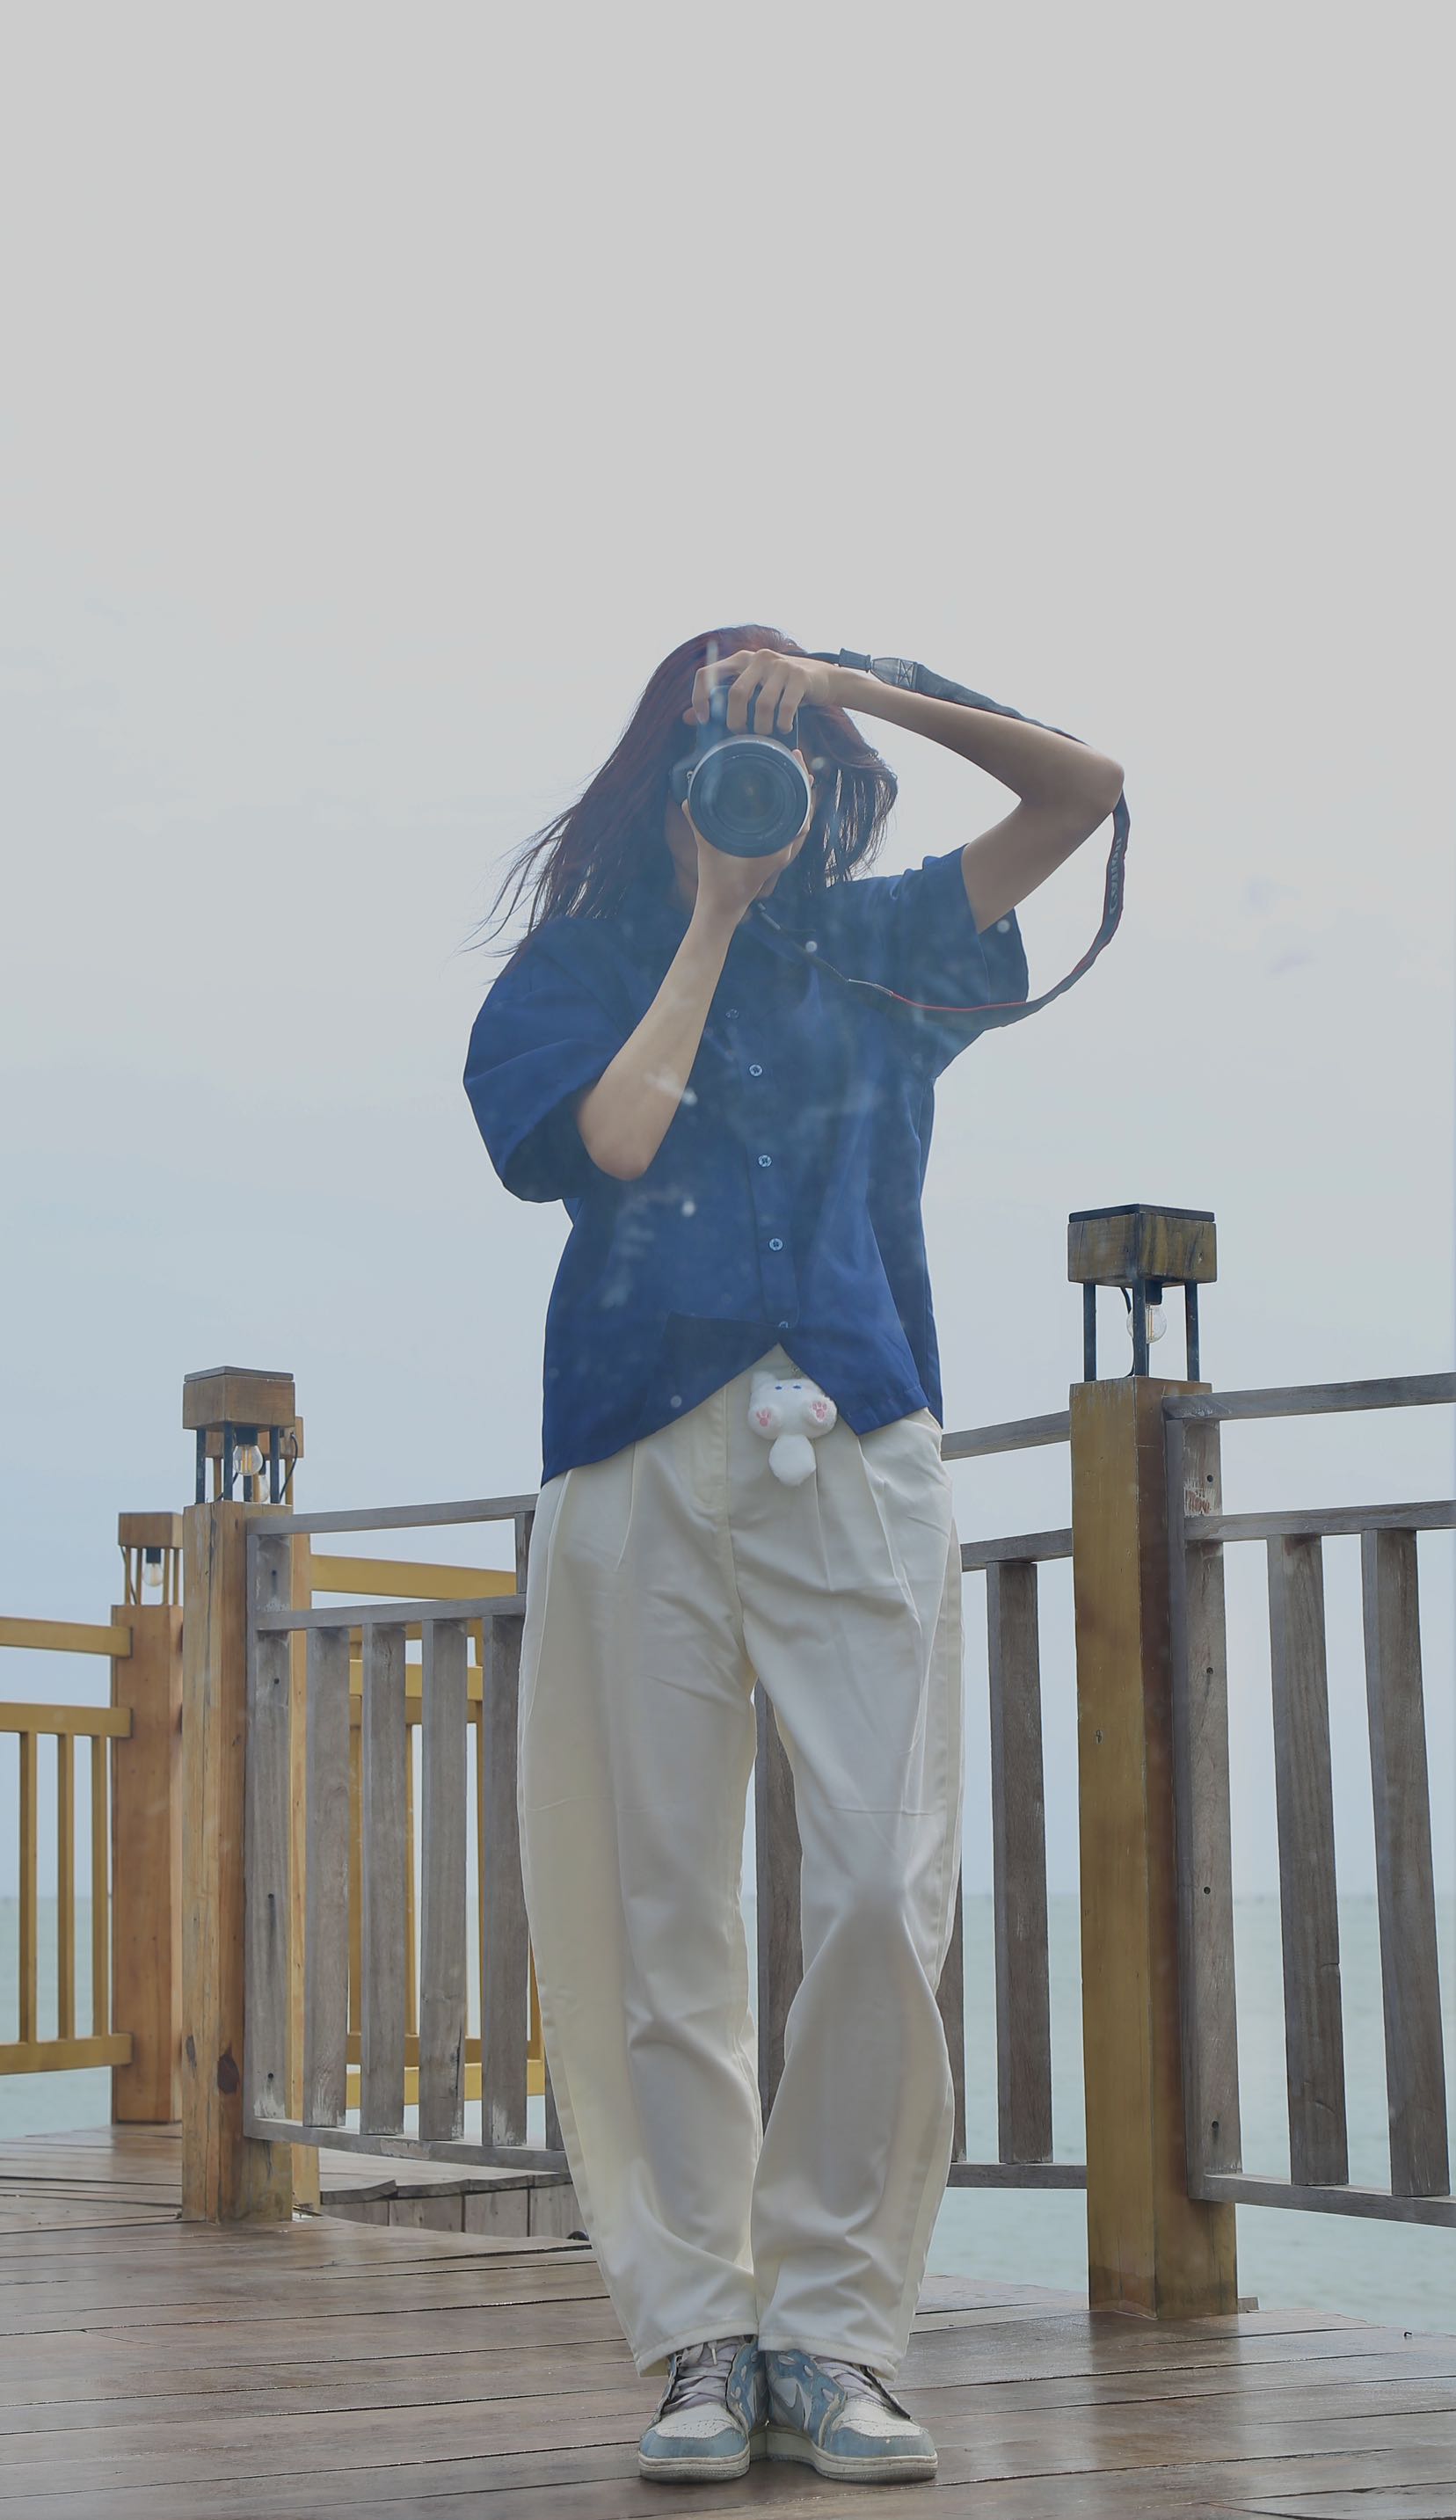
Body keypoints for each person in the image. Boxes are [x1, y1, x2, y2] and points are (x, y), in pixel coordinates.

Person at [463, 626, 1122, 2486]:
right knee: (653, 1899)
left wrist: (856, 680)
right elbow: (609, 1138)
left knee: (883, 1880)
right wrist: (708, 916)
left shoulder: (895, 934)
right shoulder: (574, 964)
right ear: (658, 772)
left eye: (785, 746)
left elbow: (1087, 791)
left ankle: (838, 2331)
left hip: (857, 1429)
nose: (758, 775)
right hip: (635, 1448)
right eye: (724, 742)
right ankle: (702, 2331)